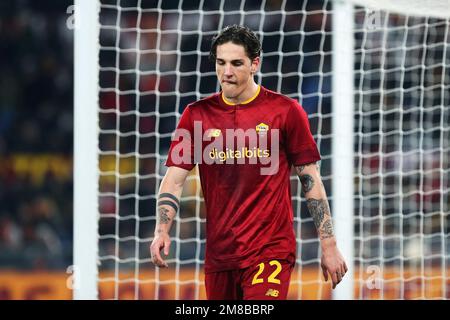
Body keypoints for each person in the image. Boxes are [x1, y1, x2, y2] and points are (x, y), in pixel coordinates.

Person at [150, 25, 347, 300]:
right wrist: (162, 231)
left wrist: (329, 245)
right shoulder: (195, 116)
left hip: (271, 250)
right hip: (221, 255)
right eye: (221, 63)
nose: (226, 72)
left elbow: (310, 179)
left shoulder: (286, 112)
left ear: (255, 63)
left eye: (236, 63)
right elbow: (174, 178)